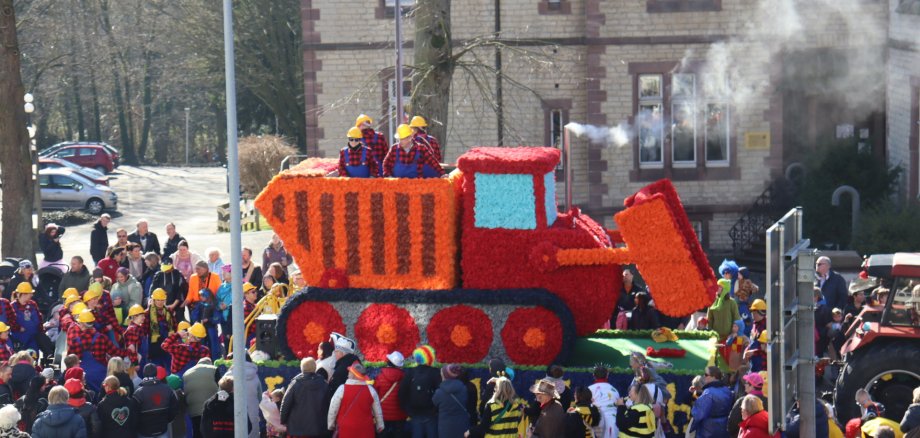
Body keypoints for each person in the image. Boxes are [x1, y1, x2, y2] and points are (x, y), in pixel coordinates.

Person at [67, 309, 125, 393]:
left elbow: (70, 361)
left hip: (83, 375)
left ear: (82, 325)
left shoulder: (75, 341)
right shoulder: (102, 338)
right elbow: (116, 352)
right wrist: (129, 352)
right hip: (101, 374)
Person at [327, 362, 384, 437]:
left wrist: (331, 424)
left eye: (350, 372)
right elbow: (377, 411)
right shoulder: (370, 390)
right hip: (366, 429)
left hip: (346, 429)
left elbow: (333, 408)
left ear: (353, 375)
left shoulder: (342, 389)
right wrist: (380, 425)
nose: (348, 374)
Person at [280, 357, 328, 438]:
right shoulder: (324, 384)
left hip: (297, 427)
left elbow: (286, 402)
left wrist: (283, 419)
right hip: (318, 427)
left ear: (302, 368)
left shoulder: (295, 383)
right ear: (315, 367)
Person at [399, 345, 441, 438]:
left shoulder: (410, 372)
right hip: (431, 413)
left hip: (415, 412)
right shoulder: (435, 372)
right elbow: (440, 392)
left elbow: (402, 392)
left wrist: (408, 410)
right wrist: (436, 409)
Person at [134, 363, 179, 438]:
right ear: (156, 372)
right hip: (162, 429)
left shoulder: (138, 393)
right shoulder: (168, 389)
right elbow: (174, 409)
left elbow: (134, 414)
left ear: (144, 373)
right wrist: (166, 421)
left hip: (144, 431)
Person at [689, 366, 732, 438]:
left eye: (706, 374)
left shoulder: (708, 392)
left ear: (713, 377)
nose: (704, 376)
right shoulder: (727, 389)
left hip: (708, 430)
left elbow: (698, 414)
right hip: (724, 427)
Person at [374, 351, 407, 438]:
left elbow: (374, 393)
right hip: (400, 415)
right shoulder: (404, 376)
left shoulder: (380, 375)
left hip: (383, 414)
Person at [184, 357, 219, 438]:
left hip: (194, 410)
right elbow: (220, 386)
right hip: (211, 409)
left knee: (197, 432)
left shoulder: (186, 373)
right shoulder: (214, 369)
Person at [432, 364, 470, 438]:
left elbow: (434, 402)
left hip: (445, 427)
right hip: (462, 424)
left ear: (445, 376)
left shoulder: (439, 392)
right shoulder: (463, 389)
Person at [189, 290, 222, 359]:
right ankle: (203, 359)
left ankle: (215, 360)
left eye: (202, 296)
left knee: (213, 345)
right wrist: (196, 321)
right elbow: (194, 315)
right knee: (202, 344)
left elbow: (217, 318)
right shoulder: (200, 305)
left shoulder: (213, 305)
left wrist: (209, 319)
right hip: (201, 328)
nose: (201, 297)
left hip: (211, 328)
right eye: (200, 296)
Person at [589, 365, 620, 438]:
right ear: (607, 375)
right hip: (613, 425)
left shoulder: (589, 390)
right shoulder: (614, 390)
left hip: (596, 425)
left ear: (593, 375)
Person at [11, 283, 43, 351]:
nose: (31, 295)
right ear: (23, 294)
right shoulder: (13, 306)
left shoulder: (33, 304)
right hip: (20, 338)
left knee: (34, 356)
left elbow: (39, 317)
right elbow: (10, 321)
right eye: (29, 293)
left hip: (33, 337)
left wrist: (41, 329)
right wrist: (18, 328)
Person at [327, 334, 361, 398]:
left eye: (336, 352)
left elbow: (334, 392)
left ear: (342, 353)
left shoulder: (341, 369)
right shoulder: (355, 362)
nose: (334, 354)